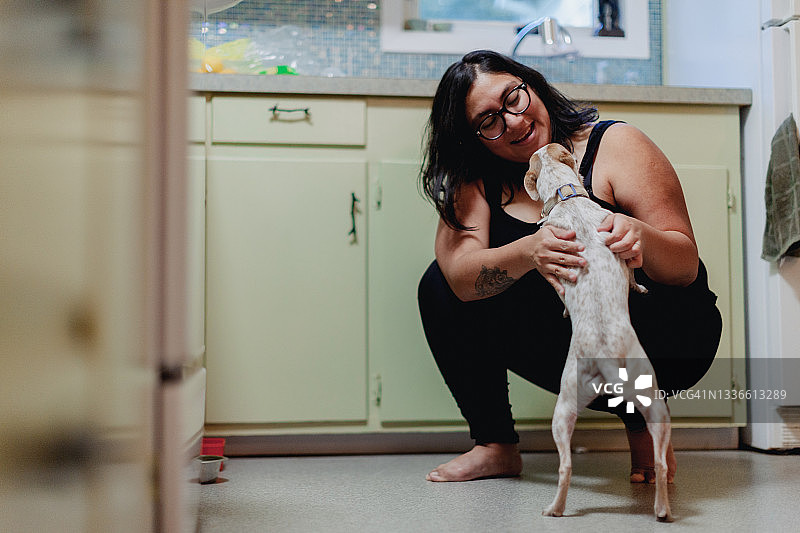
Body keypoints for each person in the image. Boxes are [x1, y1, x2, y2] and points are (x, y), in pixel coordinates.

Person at [417, 50, 722, 483]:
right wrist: (528, 251)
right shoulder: (475, 178)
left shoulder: (615, 145)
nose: (515, 122)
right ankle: (495, 445)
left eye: (514, 98)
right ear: (472, 138)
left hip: (672, 337)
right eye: (489, 121)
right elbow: (461, 281)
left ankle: (642, 418)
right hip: (568, 341)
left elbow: (685, 267)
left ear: (532, 84)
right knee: (437, 284)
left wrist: (643, 239)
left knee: (608, 275)